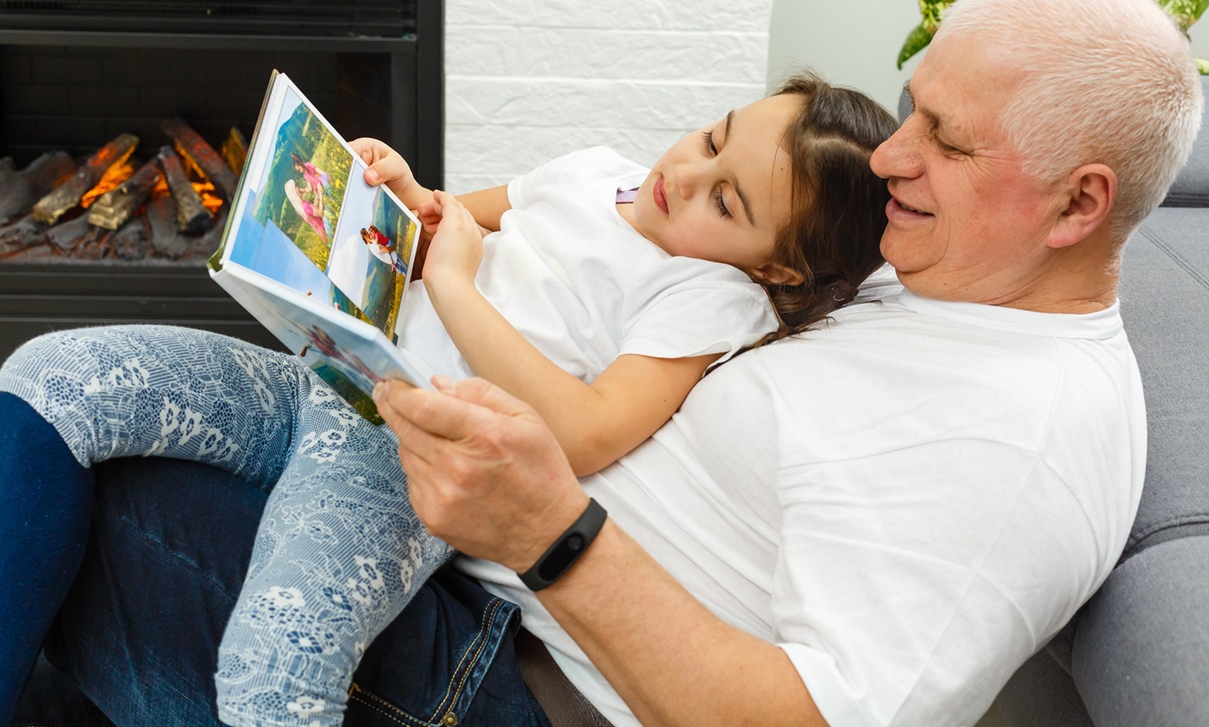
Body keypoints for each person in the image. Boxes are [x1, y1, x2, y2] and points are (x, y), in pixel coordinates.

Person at [6, 0, 1204, 726]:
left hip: (505, 673)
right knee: (52, 393)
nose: (895, 155)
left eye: (943, 138)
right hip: (431, 485)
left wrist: (550, 529)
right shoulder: (938, 262)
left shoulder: (1019, 441)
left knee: (87, 504)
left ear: (1078, 203)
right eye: (912, 108)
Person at [0, 73, 897, 726]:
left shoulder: (708, 297)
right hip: (326, 377)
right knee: (53, 378)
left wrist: (459, 287)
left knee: (277, 665)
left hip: (403, 465)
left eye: (727, 201)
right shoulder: (595, 171)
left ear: (775, 266)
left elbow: (582, 435)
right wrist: (394, 191)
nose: (685, 176)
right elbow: (440, 219)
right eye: (711, 138)